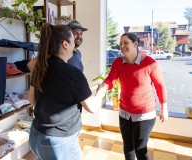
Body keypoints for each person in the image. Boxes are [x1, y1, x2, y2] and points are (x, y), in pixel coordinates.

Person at [28, 23, 105, 160]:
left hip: (36, 135)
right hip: (57, 143)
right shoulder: (73, 74)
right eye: (72, 41)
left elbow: (32, 100)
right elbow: (92, 107)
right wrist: (101, 92)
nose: (74, 46)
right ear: (65, 44)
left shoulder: (41, 68)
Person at [98, 33, 168, 160]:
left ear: (135, 44)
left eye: (126, 43)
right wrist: (103, 86)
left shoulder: (149, 63)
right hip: (125, 113)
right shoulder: (118, 62)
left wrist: (164, 107)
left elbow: (160, 85)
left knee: (140, 149)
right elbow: (111, 80)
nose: (122, 46)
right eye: (120, 44)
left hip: (144, 114)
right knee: (128, 147)